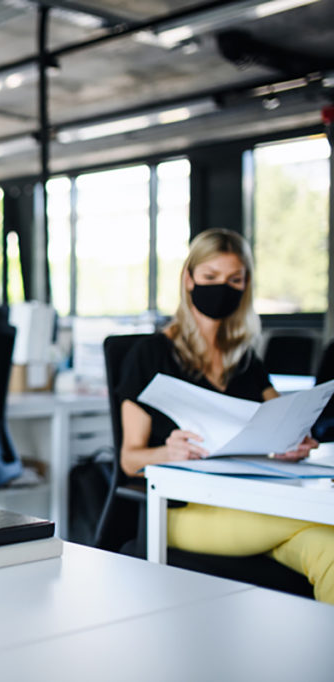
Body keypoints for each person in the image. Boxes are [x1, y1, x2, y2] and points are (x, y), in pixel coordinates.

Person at [118, 227, 334, 603]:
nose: (223, 288)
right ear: (188, 279)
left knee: (329, 550)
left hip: (248, 500)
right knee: (312, 520)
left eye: (234, 280)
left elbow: (281, 416)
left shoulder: (246, 360)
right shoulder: (150, 355)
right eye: (210, 277)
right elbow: (128, 460)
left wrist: (291, 440)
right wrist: (167, 453)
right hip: (182, 512)